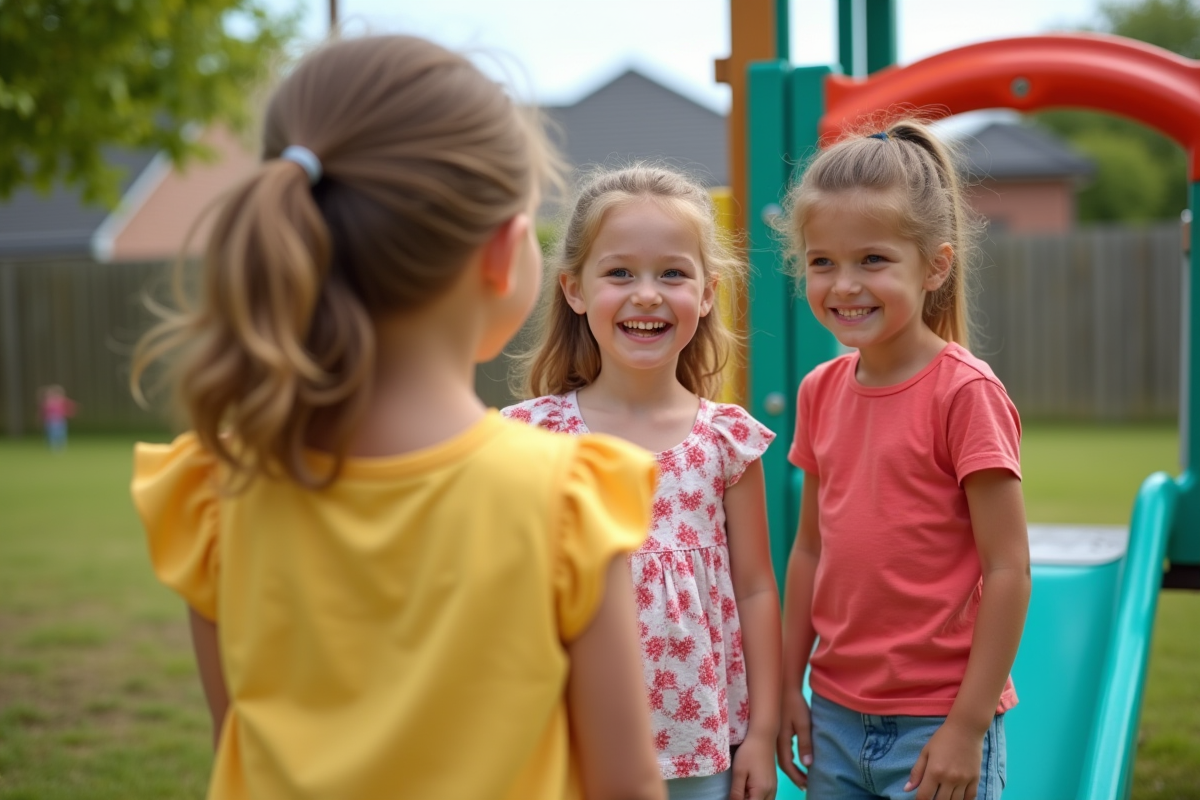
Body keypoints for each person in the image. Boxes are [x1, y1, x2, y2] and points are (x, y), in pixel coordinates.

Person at [129, 36, 664, 800]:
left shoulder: (212, 491)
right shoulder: (568, 499)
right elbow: (627, 787)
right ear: (504, 252)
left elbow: (234, 747)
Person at [504, 165, 782, 800]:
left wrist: (762, 732)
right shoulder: (531, 437)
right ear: (574, 289)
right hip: (567, 743)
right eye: (620, 272)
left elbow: (757, 589)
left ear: (708, 293)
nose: (648, 294)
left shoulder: (726, 441)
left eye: (673, 274)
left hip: (701, 744)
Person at [774, 120, 1031, 800]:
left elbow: (1008, 568)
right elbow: (808, 553)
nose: (844, 284)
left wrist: (967, 726)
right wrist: (786, 688)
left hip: (938, 722)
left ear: (935, 265)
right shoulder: (819, 392)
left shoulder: (964, 394)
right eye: (822, 261)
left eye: (873, 260)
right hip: (832, 713)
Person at [39, 384, 77, 451]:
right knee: (52, 433)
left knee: (61, 433)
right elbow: (44, 410)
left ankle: (60, 446)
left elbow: (71, 405)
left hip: (59, 419)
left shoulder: (61, 400)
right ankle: (53, 446)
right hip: (51, 420)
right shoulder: (49, 402)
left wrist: (68, 413)